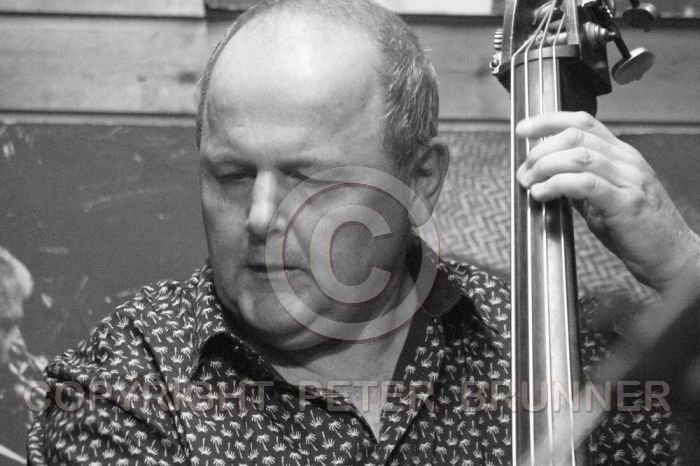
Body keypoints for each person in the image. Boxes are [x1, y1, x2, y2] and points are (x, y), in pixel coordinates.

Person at [27, 0, 700, 464]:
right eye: (232, 175)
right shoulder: (124, 383)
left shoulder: (567, 355)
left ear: (421, 180)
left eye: (308, 179)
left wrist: (682, 267)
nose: (259, 216)